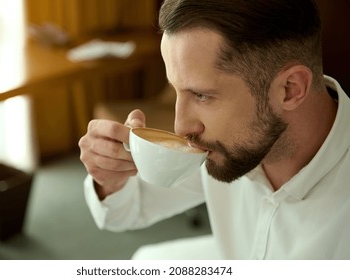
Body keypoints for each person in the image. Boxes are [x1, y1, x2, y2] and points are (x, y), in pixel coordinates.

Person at [78, 0, 350, 259]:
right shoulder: (229, 144)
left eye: (202, 96)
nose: (181, 127)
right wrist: (109, 176)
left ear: (290, 89)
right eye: (176, 91)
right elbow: (123, 212)